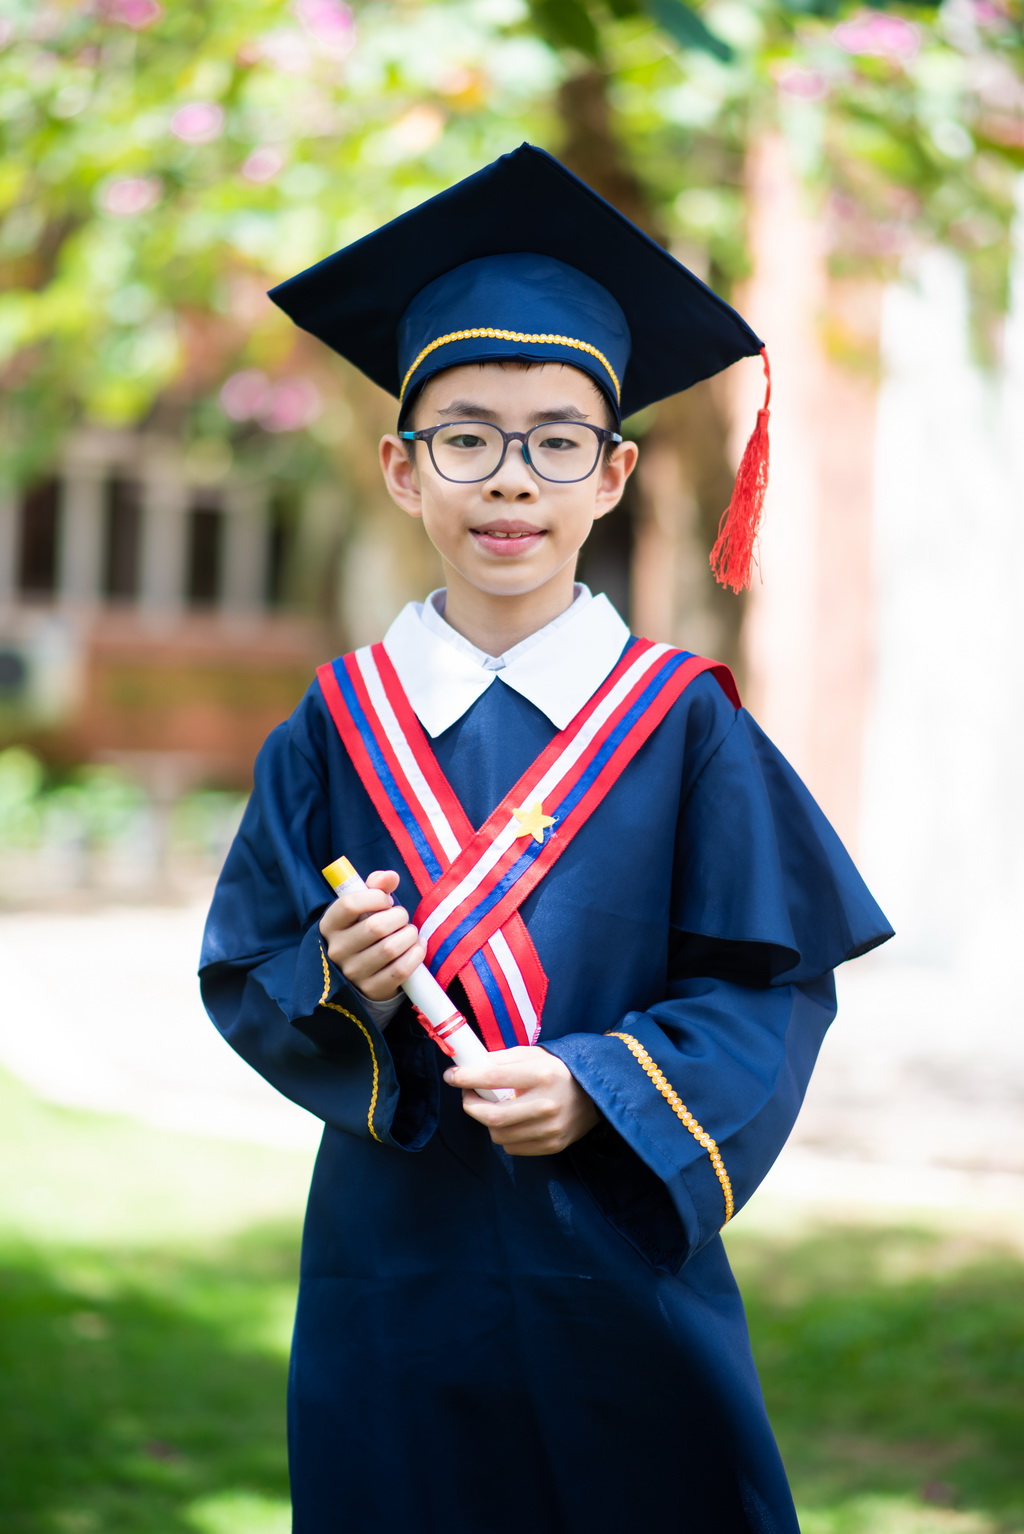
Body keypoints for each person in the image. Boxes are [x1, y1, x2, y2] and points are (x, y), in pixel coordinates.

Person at [200, 144, 892, 1534]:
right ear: (403, 470)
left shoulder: (685, 725)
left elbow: (767, 987)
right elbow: (248, 967)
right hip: (393, 1263)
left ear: (614, 472)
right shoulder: (336, 723)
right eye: (466, 437)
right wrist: (347, 982)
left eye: (557, 440)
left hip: (612, 1254)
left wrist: (601, 1084)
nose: (510, 481)